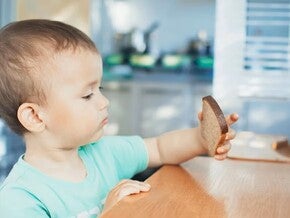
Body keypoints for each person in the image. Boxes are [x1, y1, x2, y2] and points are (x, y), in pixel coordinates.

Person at [0, 19, 238, 218]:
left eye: (100, 88)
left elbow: (159, 148)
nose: (105, 102)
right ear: (35, 116)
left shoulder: (104, 153)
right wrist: (109, 212)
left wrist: (201, 138)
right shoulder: (20, 199)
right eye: (87, 95)